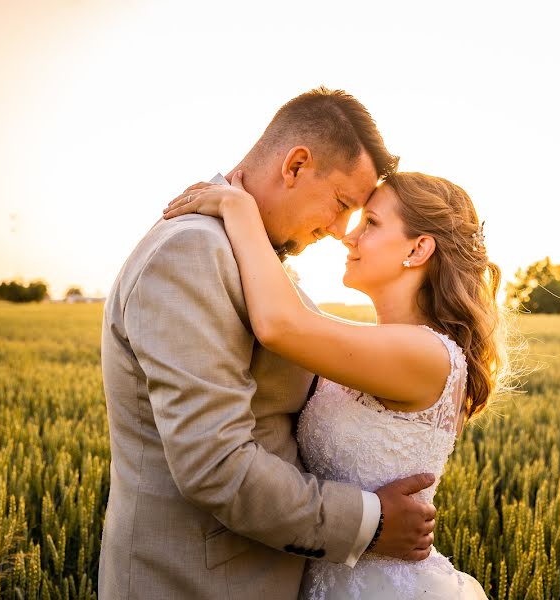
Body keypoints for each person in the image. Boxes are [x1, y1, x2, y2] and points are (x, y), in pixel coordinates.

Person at [98, 87, 438, 600]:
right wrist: (370, 522)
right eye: (343, 204)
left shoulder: (251, 255)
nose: (339, 230)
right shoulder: (191, 250)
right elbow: (215, 464)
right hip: (198, 583)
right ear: (296, 165)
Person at [163, 168, 505, 599]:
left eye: (371, 223)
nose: (349, 235)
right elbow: (292, 315)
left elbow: (279, 324)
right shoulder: (372, 344)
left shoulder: (426, 354)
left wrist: (240, 208)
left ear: (418, 249)